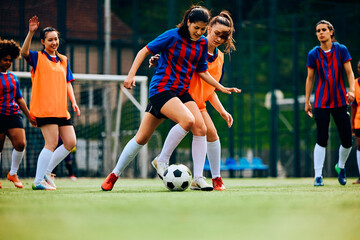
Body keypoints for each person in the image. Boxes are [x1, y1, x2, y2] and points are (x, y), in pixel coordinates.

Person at [101, 5, 240, 191]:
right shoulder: (172, 35)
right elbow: (144, 51)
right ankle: (118, 173)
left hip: (181, 93)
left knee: (200, 127)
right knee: (147, 136)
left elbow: (202, 71)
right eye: (195, 27)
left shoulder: (201, 45)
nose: (199, 32)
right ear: (188, 22)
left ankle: (198, 178)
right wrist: (130, 74)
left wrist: (220, 86)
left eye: (202, 29)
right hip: (162, 89)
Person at [150, 11, 236, 191]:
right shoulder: (196, 47)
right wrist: (159, 59)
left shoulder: (220, 58)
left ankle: (214, 178)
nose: (219, 38)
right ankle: (162, 161)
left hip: (199, 103)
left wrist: (222, 111)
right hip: (180, 97)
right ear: (208, 29)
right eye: (216, 33)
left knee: (211, 133)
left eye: (224, 36)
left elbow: (211, 90)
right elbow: (175, 58)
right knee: (142, 137)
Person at [21, 16, 80, 190]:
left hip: (62, 109)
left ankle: (47, 172)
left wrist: (74, 102)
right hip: (45, 109)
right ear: (43, 42)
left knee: (70, 142)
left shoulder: (63, 60)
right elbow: (24, 52)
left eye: (56, 39)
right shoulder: (37, 57)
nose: (54, 42)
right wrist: (30, 33)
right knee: (51, 143)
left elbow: (68, 82)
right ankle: (38, 181)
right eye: (50, 40)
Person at [305, 20, 355, 186]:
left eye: (324, 29)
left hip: (340, 100)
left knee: (347, 140)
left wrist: (352, 91)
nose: (320, 32)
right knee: (321, 138)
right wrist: (307, 101)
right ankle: (318, 176)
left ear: (331, 32)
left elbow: (349, 72)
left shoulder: (341, 49)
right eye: (318, 30)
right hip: (320, 102)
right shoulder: (313, 53)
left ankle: (340, 167)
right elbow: (310, 78)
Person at [0, 38, 36, 189]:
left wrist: (29, 116)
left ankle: (13, 173)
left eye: (10, 60)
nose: (8, 62)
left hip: (13, 114)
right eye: (5, 60)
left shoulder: (13, 78)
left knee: (21, 144)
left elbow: (20, 99)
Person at [351, 60, 360, 184]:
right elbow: (353, 105)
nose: (359, 69)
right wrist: (352, 124)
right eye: (358, 67)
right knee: (359, 146)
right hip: (359, 119)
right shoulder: (355, 83)